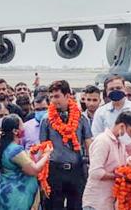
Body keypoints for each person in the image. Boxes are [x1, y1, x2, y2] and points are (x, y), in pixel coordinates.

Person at [40, 80, 92, 210]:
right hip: (55, 170)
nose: (53, 100)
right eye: (51, 97)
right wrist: (42, 175)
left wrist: (93, 166)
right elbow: (43, 147)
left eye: (57, 96)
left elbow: (88, 143)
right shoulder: (46, 119)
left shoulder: (81, 118)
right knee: (53, 206)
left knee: (76, 206)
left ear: (67, 96)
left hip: (76, 170)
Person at [83, 111, 131, 210]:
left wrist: (129, 163)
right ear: (122, 126)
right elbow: (95, 173)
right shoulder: (103, 141)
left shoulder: (121, 143)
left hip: (109, 203)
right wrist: (118, 175)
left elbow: (119, 166)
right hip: (96, 203)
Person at [0, 115, 51, 210]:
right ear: (15, 131)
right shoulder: (15, 150)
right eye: (21, 125)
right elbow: (34, 170)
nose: (24, 127)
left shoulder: (6, 146)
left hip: (6, 192)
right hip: (17, 197)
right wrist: (46, 155)